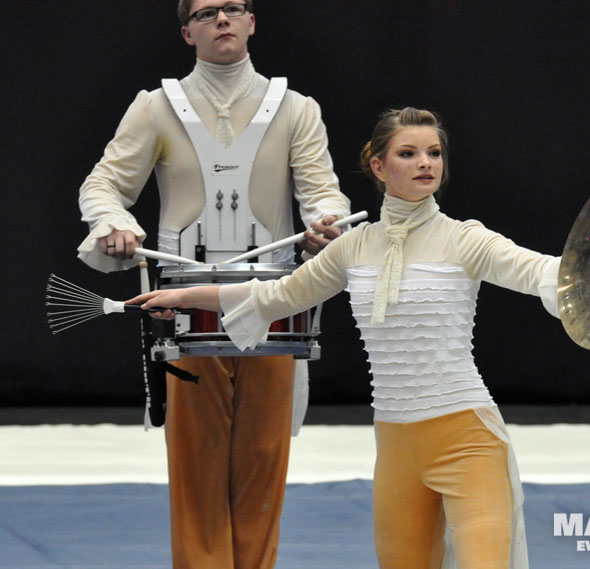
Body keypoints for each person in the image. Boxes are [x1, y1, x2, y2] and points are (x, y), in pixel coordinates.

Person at [130, 107, 562, 569]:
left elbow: (538, 269)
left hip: (469, 441)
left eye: (434, 153)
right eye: (409, 153)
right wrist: (188, 294)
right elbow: (278, 296)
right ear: (379, 167)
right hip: (396, 448)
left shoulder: (466, 239)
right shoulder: (353, 247)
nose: (426, 163)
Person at [75, 1, 351, 568]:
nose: (221, 19)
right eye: (206, 13)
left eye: (232, 9)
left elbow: (324, 193)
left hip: (271, 304)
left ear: (252, 21)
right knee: (197, 468)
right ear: (186, 32)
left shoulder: (297, 110)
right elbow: (104, 185)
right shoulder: (155, 108)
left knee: (263, 463)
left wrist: (326, 221)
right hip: (185, 310)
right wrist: (114, 225)